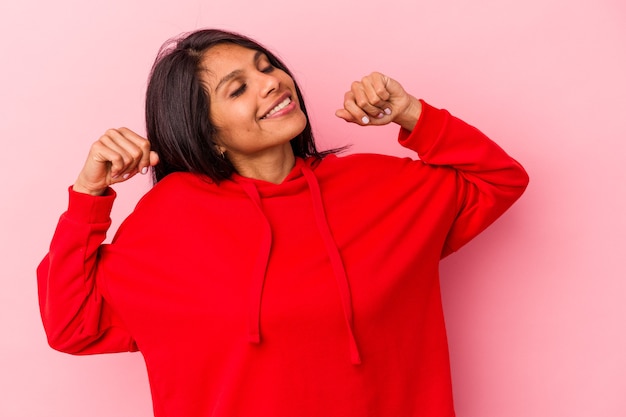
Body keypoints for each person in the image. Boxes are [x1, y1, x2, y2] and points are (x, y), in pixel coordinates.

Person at [37, 28, 529, 417]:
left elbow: (499, 181)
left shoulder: (382, 188)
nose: (272, 81)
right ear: (207, 135)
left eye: (267, 66)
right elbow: (73, 325)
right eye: (239, 88)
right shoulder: (168, 221)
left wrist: (412, 115)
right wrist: (88, 194)